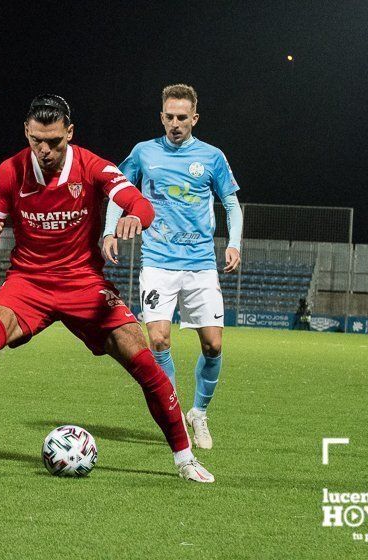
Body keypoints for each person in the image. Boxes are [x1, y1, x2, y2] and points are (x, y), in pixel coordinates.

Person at [0, 94, 215, 483]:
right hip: (29, 282)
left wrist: (135, 219)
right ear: (27, 132)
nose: (44, 150)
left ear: (69, 133)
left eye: (54, 142)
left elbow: (141, 204)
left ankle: (184, 458)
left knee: (144, 362)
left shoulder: (93, 167)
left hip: (84, 284)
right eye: (37, 140)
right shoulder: (11, 171)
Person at [100, 84, 243, 450]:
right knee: (159, 339)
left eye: (182, 117)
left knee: (212, 346)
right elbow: (117, 189)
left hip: (200, 266)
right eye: (169, 117)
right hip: (159, 262)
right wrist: (109, 232)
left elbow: (231, 203)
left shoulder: (211, 157)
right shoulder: (144, 152)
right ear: (161, 117)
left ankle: (199, 412)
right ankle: (173, 410)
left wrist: (234, 243)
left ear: (194, 118)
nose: (175, 123)